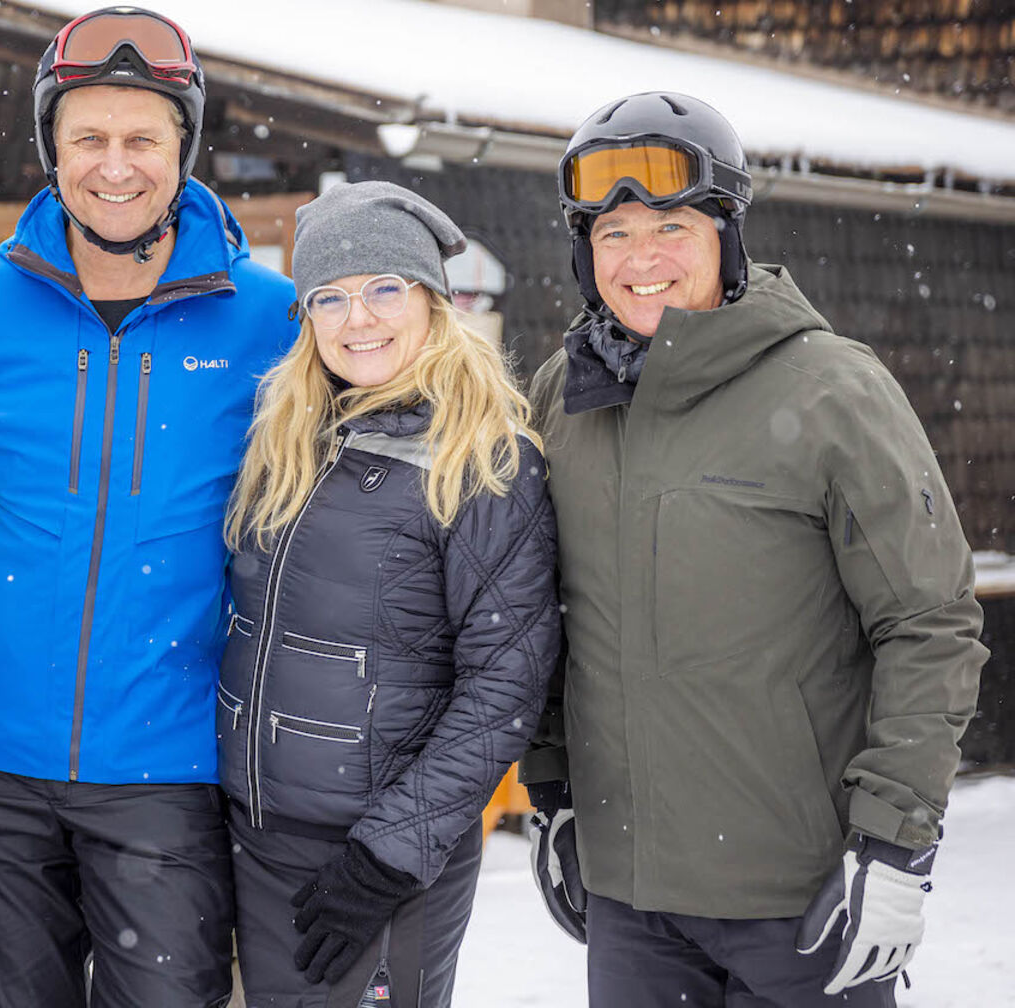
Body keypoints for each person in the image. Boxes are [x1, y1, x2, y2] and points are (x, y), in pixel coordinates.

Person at [519, 91, 988, 1007]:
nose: (639, 259)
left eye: (670, 227)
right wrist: (554, 789)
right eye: (611, 234)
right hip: (633, 910)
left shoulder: (831, 390)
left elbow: (929, 624)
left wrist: (895, 843)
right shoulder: (561, 397)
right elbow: (539, 614)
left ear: (727, 236)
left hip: (805, 903)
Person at [0, 7, 297, 1005]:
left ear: (185, 150)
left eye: (143, 139)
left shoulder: (270, 318)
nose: (114, 167)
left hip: (167, 766)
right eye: (88, 137)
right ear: (52, 148)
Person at [218, 181, 559, 1008]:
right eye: (329, 297)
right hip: (258, 836)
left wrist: (389, 854)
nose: (356, 318)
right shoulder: (290, 438)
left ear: (434, 302)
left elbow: (505, 682)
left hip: (382, 856)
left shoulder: (484, 458)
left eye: (382, 289)